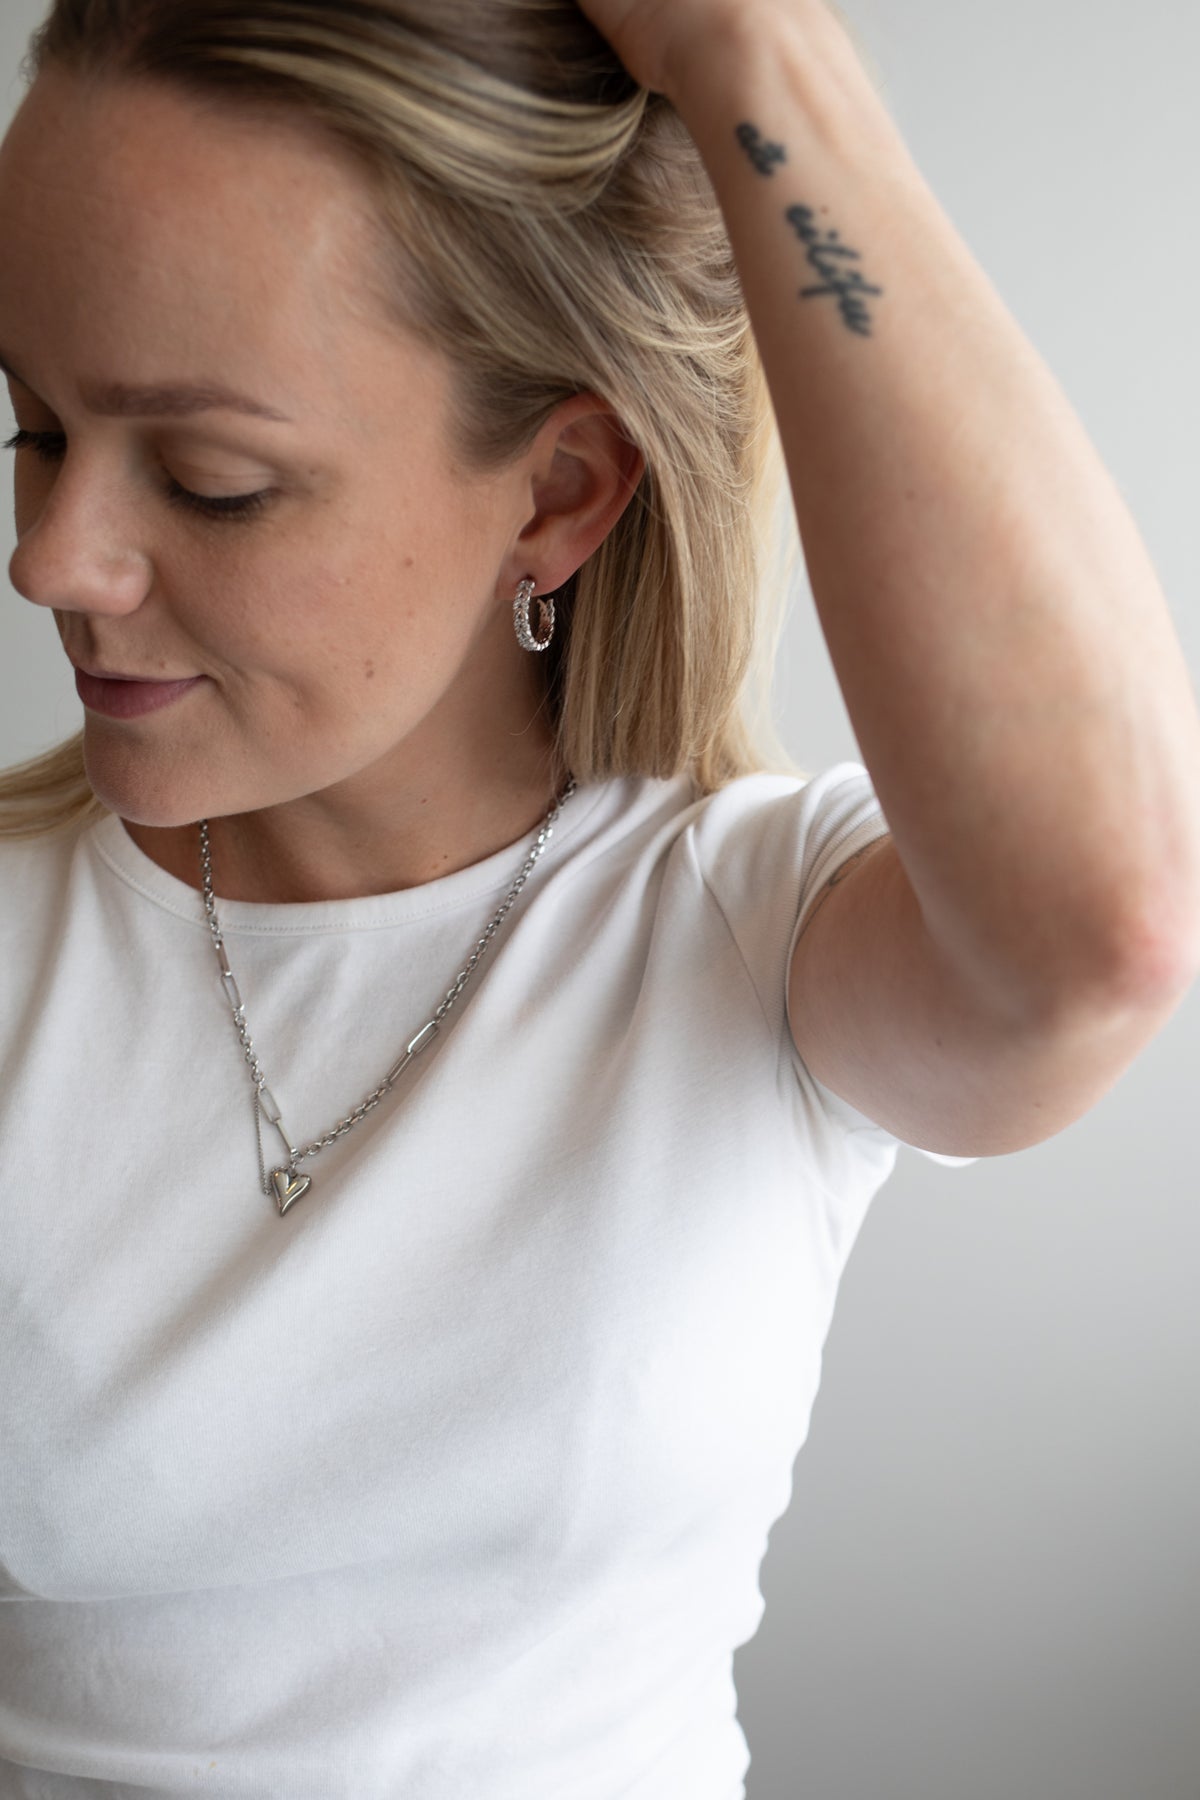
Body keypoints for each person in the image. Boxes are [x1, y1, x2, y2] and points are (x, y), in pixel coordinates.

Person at [0, 0, 1197, 1793]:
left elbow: (1098, 930)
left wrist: (758, 54)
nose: (50, 560)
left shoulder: (747, 937)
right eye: (31, 427)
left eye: (212, 481)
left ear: (556, 495)